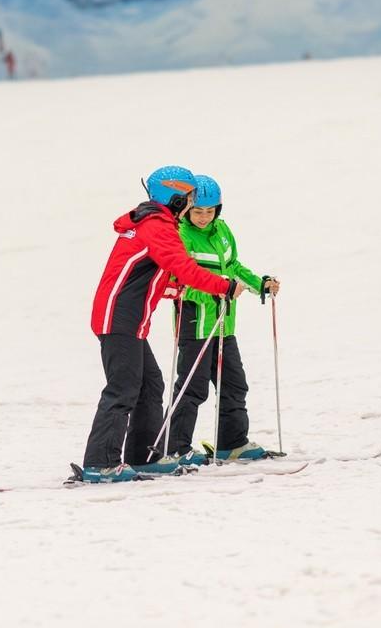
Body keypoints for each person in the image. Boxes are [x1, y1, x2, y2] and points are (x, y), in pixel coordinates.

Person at [81, 166, 246, 482]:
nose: (189, 204)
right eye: (188, 198)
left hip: (127, 318)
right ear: (175, 198)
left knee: (150, 383)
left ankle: (143, 456)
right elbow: (182, 267)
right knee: (123, 388)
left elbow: (147, 276)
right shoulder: (158, 227)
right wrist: (222, 285)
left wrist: (175, 290)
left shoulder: (154, 224)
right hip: (119, 318)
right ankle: (100, 463)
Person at [166, 175, 279, 463]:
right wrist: (215, 294)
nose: (204, 217)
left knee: (235, 384)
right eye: (198, 212)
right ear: (187, 209)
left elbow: (233, 267)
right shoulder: (181, 235)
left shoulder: (222, 231)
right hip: (196, 323)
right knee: (193, 388)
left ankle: (232, 443)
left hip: (224, 324)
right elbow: (180, 281)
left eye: (210, 211)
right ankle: (175, 448)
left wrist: (259, 283)